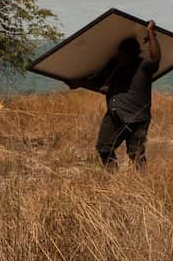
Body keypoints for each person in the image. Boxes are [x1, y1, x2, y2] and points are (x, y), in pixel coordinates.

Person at [67, 20, 162, 169]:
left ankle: (143, 184)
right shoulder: (115, 67)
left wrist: (150, 33)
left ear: (134, 54)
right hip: (114, 116)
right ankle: (112, 179)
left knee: (136, 154)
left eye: (125, 54)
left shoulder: (143, 67)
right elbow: (99, 84)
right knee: (104, 148)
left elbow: (156, 58)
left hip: (136, 119)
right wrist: (79, 83)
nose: (122, 58)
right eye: (120, 54)